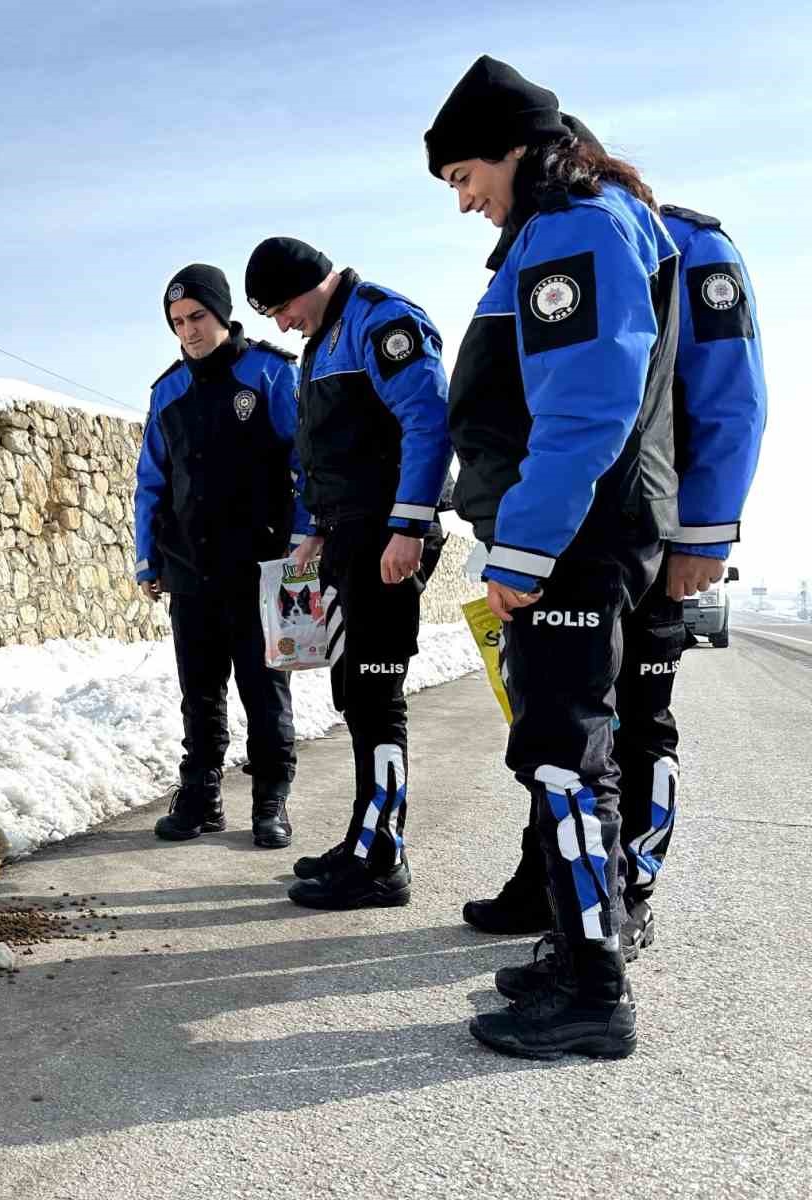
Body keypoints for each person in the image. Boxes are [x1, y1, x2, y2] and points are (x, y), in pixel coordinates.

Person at [463, 118, 769, 969]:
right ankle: (557, 892)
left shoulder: (683, 243)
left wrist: (702, 533)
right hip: (586, 521)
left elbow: (728, 398)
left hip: (645, 526)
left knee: (632, 725)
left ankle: (623, 899)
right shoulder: (550, 240)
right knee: (566, 722)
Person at [426, 55, 682, 1059]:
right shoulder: (580, 222)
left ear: (515, 147)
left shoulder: (574, 227)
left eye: (462, 176)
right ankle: (578, 946)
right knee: (569, 752)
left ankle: (591, 988)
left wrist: (524, 550)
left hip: (571, 542)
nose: (462, 202)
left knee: (563, 759)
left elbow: (584, 406)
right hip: (579, 536)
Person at [243, 238, 452, 910]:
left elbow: (428, 422)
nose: (280, 324)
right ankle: (363, 838)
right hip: (348, 539)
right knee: (355, 697)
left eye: (281, 308)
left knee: (377, 697)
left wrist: (409, 527)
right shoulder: (324, 341)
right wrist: (311, 530)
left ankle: (383, 859)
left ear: (312, 283)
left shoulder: (380, 322)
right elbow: (322, 451)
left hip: (387, 539)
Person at [135, 263, 309, 850]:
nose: (188, 331)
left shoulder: (268, 373)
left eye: (198, 318)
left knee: (265, 690)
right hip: (189, 569)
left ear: (222, 313)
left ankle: (270, 800)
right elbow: (151, 483)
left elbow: (302, 464)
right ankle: (201, 795)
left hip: (260, 567)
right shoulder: (167, 391)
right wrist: (147, 558)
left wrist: (301, 541)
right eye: (177, 322)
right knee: (200, 691)